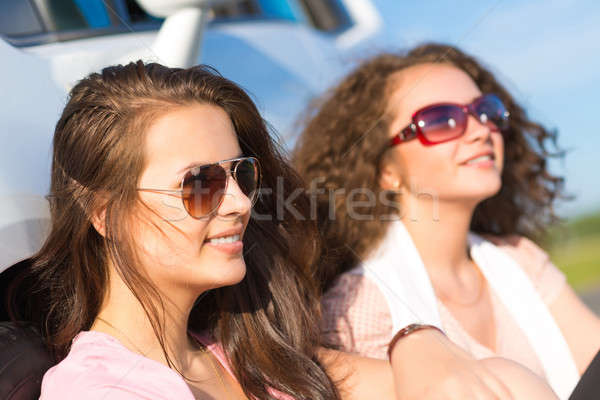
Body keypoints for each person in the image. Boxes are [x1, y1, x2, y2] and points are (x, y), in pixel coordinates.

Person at [7, 61, 556, 400]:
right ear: (103, 213)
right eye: (199, 183)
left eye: (240, 174)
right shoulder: (103, 390)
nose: (241, 203)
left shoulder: (243, 352)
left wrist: (420, 340)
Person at [293, 43, 600, 399]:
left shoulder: (519, 259)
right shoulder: (357, 308)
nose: (480, 131)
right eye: (440, 120)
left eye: (486, 111)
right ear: (386, 171)